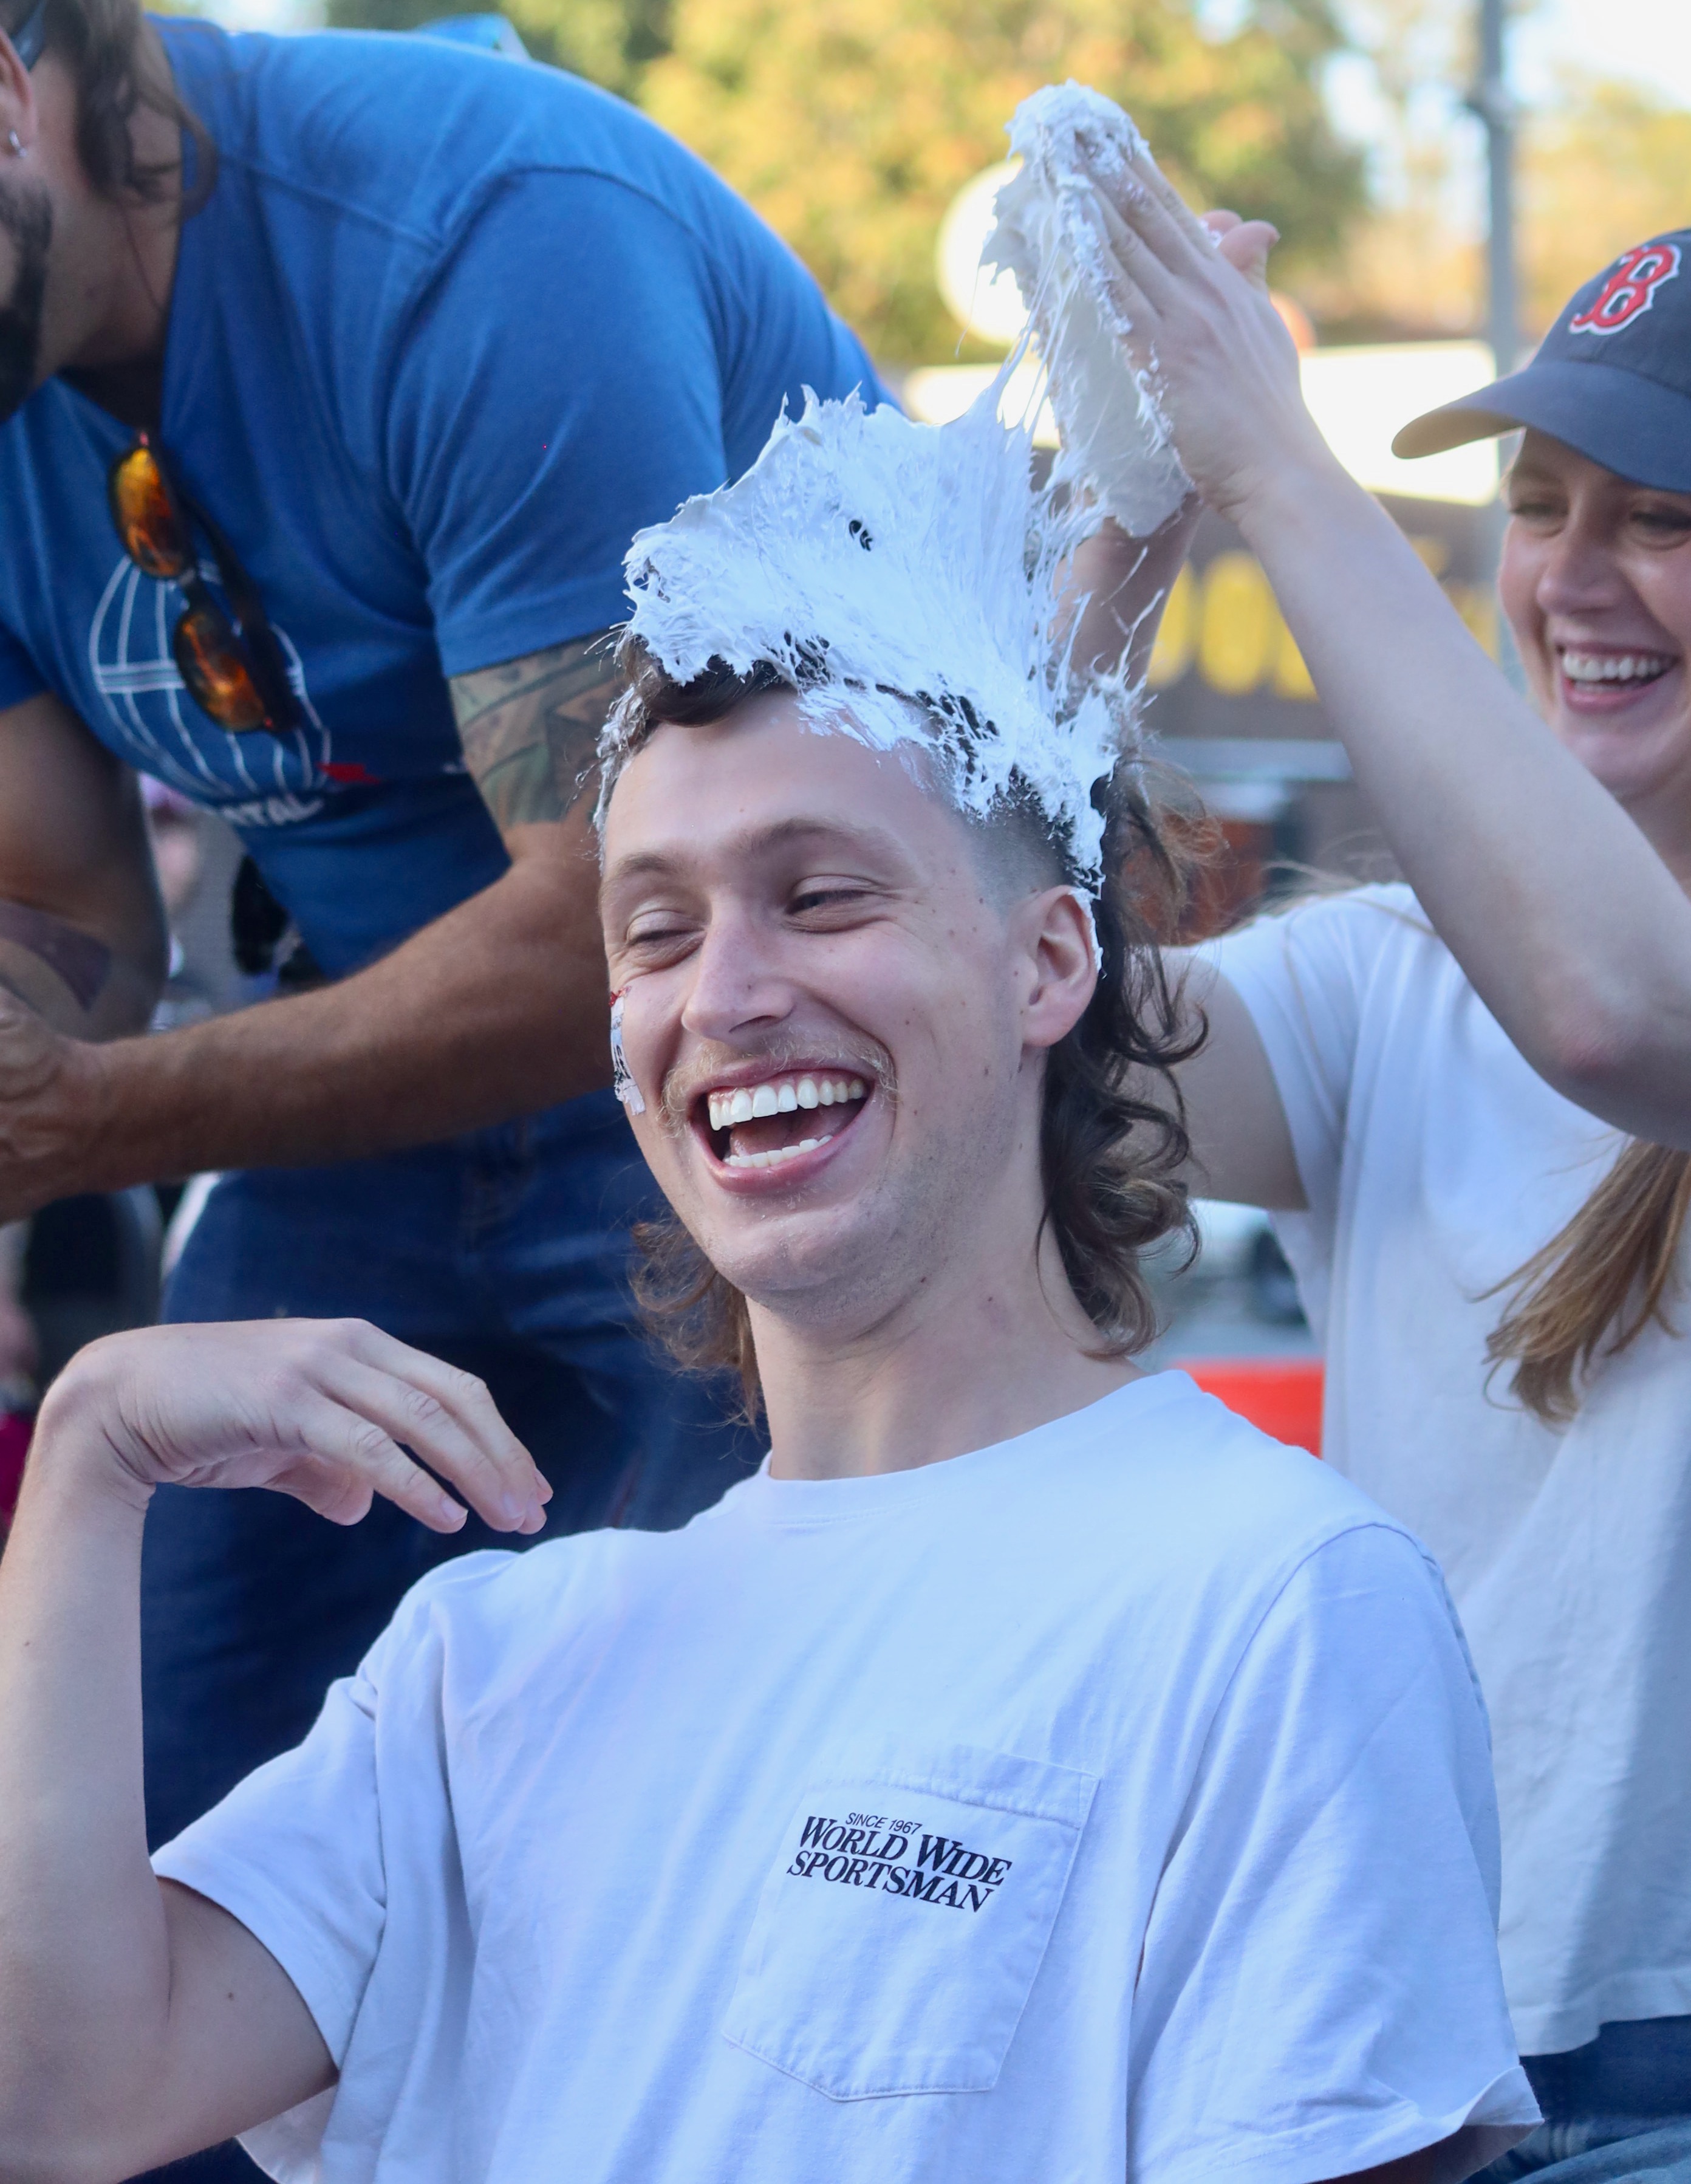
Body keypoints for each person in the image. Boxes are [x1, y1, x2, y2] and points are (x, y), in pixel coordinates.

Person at [0, 137, 1540, 2174]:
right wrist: (91, 1453)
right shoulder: (486, 1660)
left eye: (821, 897)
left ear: (1049, 959)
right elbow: (59, 2093)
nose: (723, 992)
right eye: (653, 930)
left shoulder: (1272, 1600)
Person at [0, 0, 886, 1866]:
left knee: (716, 1817)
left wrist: (82, 1120)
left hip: (755, 1075)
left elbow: (612, 930)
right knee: (147, 1799)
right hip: (357, 1095)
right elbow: (67, 909)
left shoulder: (480, 232)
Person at [1081, 156, 1691, 2184]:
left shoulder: (1570, 987)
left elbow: (1613, 1007)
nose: (1573, 577)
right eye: (1541, 505)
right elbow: (1013, 1052)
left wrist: (1276, 459)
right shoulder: (1389, 976)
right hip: (1393, 2068)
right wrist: (1125, 526)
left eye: (1665, 520)